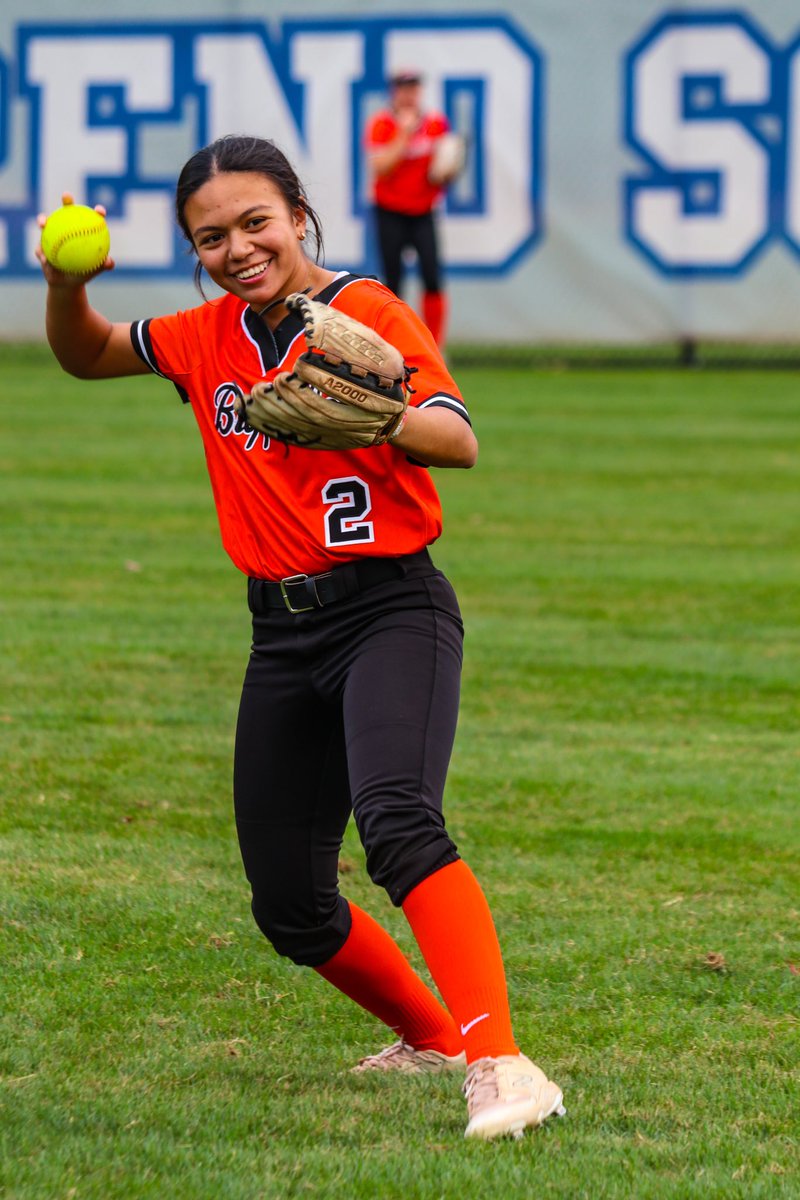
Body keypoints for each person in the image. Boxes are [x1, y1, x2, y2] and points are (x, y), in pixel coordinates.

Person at [36, 134, 564, 1141]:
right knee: (288, 901)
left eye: (253, 223)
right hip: (279, 635)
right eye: (210, 237)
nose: (236, 248)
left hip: (389, 609)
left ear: (298, 215)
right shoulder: (205, 335)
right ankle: (435, 1040)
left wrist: (372, 415)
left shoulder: (364, 311)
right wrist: (68, 286)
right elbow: (88, 352)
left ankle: (501, 1064)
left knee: (399, 825)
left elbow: (457, 436)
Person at [364, 69, 459, 350]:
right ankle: (393, 344)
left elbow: (442, 169)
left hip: (423, 211)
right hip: (389, 210)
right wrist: (404, 134)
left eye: (413, 88)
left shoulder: (435, 123)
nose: (408, 95)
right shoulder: (381, 124)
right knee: (393, 280)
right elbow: (380, 166)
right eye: (402, 88)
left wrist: (448, 169)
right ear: (393, 92)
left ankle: (435, 347)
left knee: (432, 276)